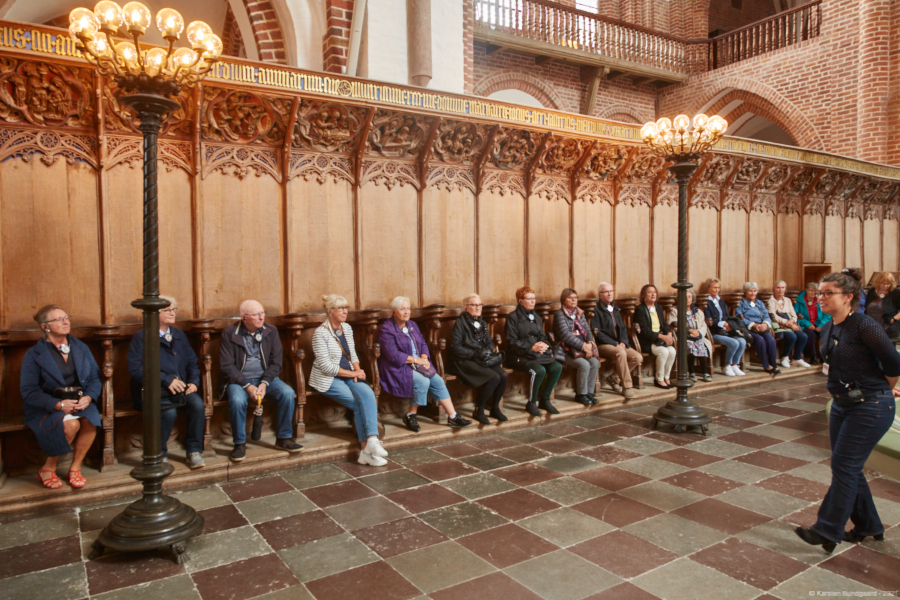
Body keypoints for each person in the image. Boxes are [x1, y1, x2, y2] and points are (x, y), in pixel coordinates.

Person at [795, 272, 900, 553]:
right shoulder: (828, 327)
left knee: (845, 467)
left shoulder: (864, 325)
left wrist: (884, 389)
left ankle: (826, 529)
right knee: (848, 468)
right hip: (842, 404)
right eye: (820, 292)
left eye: (828, 293)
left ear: (848, 297)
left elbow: (894, 362)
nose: (821, 297)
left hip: (870, 405)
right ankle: (869, 525)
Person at [21, 305, 100, 489]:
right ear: (45, 327)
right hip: (47, 405)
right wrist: (58, 405)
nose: (65, 322)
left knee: (90, 420)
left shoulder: (80, 347)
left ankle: (75, 467)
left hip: (79, 402)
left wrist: (89, 397)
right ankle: (48, 468)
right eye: (58, 319)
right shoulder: (33, 354)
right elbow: (29, 391)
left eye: (66, 318)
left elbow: (95, 378)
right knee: (71, 425)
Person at [127, 296, 206, 469]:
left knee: (197, 405)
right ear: (155, 313)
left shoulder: (178, 334)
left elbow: (193, 362)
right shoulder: (142, 336)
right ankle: (159, 455)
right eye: (167, 310)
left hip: (180, 390)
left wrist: (193, 382)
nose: (172, 313)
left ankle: (194, 451)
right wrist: (166, 380)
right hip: (153, 392)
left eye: (174, 310)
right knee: (168, 413)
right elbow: (135, 369)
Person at [221, 300, 302, 462]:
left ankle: (283, 438)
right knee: (237, 400)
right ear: (244, 317)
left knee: (288, 393)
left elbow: (276, 363)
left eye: (262, 313)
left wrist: (264, 383)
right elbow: (227, 366)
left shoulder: (271, 331)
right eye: (256, 314)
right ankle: (239, 443)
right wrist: (247, 386)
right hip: (239, 381)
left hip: (266, 379)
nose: (261, 317)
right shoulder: (230, 333)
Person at [311, 295, 387, 466]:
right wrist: (353, 374)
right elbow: (326, 367)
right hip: (328, 379)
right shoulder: (320, 333)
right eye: (340, 308)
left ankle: (371, 441)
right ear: (330, 311)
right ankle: (366, 451)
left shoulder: (347, 328)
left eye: (346, 308)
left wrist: (357, 370)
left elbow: (352, 354)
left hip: (350, 374)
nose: (345, 311)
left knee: (367, 393)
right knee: (358, 403)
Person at [377, 296, 471, 431]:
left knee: (438, 380)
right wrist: (417, 360)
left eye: (408, 309)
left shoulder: (412, 325)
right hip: (398, 366)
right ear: (393, 311)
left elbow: (422, 343)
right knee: (423, 381)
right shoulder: (387, 329)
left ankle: (453, 417)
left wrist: (424, 358)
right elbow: (393, 355)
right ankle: (410, 415)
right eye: (402, 309)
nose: (406, 312)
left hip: (418, 363)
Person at [449, 294, 508, 425]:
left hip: (481, 359)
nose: (478, 307)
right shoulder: (460, 323)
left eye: (480, 305)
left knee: (503, 375)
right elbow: (455, 348)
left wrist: (486, 351)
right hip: (464, 360)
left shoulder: (482, 323)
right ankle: (479, 410)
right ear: (466, 307)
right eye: (474, 305)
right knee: (494, 377)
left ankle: (495, 408)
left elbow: (489, 343)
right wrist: (475, 354)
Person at [505, 286, 563, 416]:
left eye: (534, 298)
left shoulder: (536, 317)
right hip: (518, 356)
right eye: (529, 299)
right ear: (520, 301)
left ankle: (545, 400)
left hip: (536, 355)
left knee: (556, 367)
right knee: (539, 370)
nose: (533, 301)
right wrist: (531, 347)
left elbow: (542, 336)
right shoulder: (512, 317)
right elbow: (512, 341)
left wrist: (543, 345)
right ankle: (531, 403)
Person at [591, 282, 642, 398]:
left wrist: (623, 342)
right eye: (606, 292)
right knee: (621, 353)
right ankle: (627, 387)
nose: (609, 294)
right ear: (599, 294)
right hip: (603, 345)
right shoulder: (596, 310)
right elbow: (597, 333)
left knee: (637, 357)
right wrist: (615, 344)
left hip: (619, 344)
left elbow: (623, 328)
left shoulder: (616, 308)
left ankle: (615, 377)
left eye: (611, 291)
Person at [553, 288, 600, 406]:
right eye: (570, 297)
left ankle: (589, 392)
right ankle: (580, 394)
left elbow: (588, 330)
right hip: (566, 350)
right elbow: (565, 335)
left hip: (582, 349)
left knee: (594, 362)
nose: (574, 300)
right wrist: (583, 346)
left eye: (575, 297)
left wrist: (590, 344)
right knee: (584, 364)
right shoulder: (559, 314)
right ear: (564, 300)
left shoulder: (579, 313)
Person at [634, 284, 676, 389]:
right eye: (650, 292)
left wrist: (669, 334)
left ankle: (666, 377)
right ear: (644, 295)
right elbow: (644, 330)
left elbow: (664, 324)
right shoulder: (640, 309)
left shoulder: (658, 307)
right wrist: (661, 337)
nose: (653, 294)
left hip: (660, 340)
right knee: (664, 352)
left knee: (672, 351)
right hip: (648, 341)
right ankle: (659, 379)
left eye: (655, 292)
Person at [667, 290, 713, 382]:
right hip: (683, 337)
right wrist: (689, 330)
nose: (687, 299)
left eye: (689, 297)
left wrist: (698, 333)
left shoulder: (697, 311)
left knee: (702, 345)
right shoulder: (674, 310)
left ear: (692, 298)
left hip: (697, 336)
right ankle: (691, 372)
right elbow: (673, 325)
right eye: (685, 297)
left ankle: (705, 372)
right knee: (689, 345)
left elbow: (703, 325)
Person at [703, 278, 747, 376]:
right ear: (708, 288)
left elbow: (726, 316)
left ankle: (734, 365)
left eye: (718, 288)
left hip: (725, 331)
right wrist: (722, 324)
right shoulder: (705, 302)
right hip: (713, 332)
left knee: (742, 341)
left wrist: (728, 325)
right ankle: (726, 365)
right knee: (734, 343)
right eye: (714, 287)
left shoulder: (721, 301)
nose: (717, 290)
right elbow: (708, 321)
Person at [737, 282, 780, 375]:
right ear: (745, 292)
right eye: (750, 291)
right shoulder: (740, 303)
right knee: (760, 340)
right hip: (748, 328)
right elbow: (740, 319)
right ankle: (766, 365)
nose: (753, 293)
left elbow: (766, 316)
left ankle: (773, 364)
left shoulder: (759, 302)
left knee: (771, 340)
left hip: (761, 327)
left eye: (755, 291)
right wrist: (754, 324)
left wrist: (765, 324)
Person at [767, 280, 811, 369]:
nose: (780, 290)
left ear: (785, 289)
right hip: (778, 327)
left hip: (789, 326)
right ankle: (785, 357)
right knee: (792, 336)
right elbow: (773, 316)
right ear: (773, 289)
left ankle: (797, 358)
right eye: (778, 288)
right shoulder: (770, 300)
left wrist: (792, 321)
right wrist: (788, 324)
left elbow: (794, 315)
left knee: (803, 336)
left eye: (782, 288)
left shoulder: (787, 300)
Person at [795, 281, 831, 364]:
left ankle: (823, 356)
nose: (813, 293)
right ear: (806, 290)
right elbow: (795, 315)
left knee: (826, 333)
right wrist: (807, 324)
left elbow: (827, 315)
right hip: (805, 325)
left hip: (818, 324)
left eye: (815, 291)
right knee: (811, 335)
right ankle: (813, 356)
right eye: (811, 290)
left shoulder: (821, 300)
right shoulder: (799, 300)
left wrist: (821, 325)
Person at [864, 272, 900, 339]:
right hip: (871, 326)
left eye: (888, 284)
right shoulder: (872, 291)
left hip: (888, 328)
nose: (886, 286)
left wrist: (894, 319)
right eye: (883, 283)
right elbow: (865, 306)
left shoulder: (896, 293)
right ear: (878, 282)